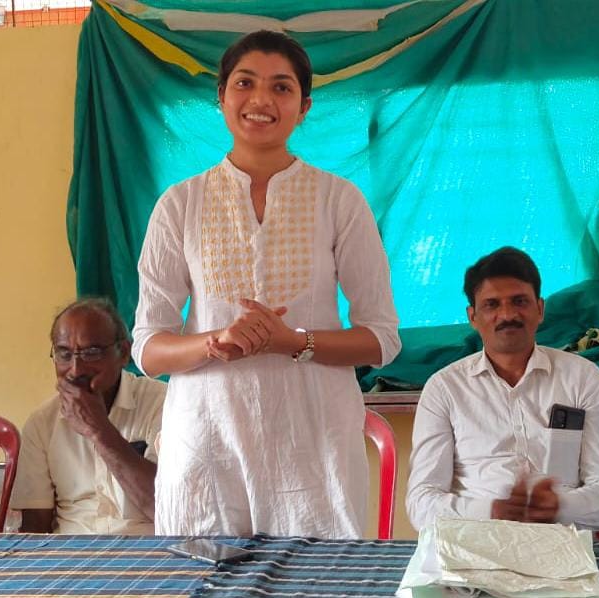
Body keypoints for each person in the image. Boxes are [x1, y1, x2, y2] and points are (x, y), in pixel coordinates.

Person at [132, 30, 400, 538]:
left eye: (281, 87)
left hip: (314, 449)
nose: (260, 100)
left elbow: (381, 339)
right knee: (203, 576)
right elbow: (147, 348)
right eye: (244, 83)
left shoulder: (339, 201)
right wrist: (215, 341)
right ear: (221, 96)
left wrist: (292, 342)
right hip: (208, 447)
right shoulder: (180, 205)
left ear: (304, 107)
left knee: (317, 576)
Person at [406, 247, 599, 532]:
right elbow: (421, 504)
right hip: (473, 540)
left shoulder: (583, 378)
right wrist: (492, 511)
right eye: (491, 305)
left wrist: (558, 506)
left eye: (519, 301)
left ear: (540, 309)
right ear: (472, 317)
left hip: (560, 539)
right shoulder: (444, 389)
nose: (507, 314)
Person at [12, 298, 167, 534]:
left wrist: (99, 430)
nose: (76, 369)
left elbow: (165, 509)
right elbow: (35, 528)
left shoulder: (162, 404)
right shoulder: (42, 423)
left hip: (146, 548)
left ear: (124, 353)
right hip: (70, 550)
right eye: (64, 354)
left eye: (91, 353)